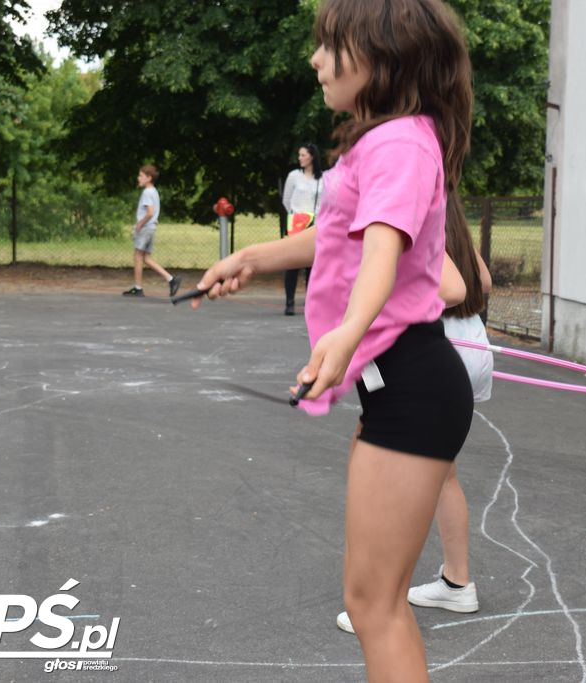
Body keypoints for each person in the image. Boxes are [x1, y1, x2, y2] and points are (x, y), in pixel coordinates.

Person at [192, 1, 474, 679]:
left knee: (375, 604)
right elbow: (339, 234)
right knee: (369, 597)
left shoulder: (404, 141)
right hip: (396, 386)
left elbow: (385, 247)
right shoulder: (379, 141)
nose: (315, 59)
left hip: (412, 383)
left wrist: (347, 334)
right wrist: (251, 257)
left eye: (329, 45)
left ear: (380, 54)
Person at [336, 194, 493, 634]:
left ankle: (378, 596)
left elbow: (452, 287)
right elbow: (480, 282)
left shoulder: (406, 212)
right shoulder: (447, 212)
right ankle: (456, 581)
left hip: (433, 349)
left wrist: (389, 296)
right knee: (440, 472)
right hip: (469, 342)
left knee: (390, 468)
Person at [122, 164, 180, 297]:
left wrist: (139, 224)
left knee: (137, 256)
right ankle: (171, 279)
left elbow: (149, 212)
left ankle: (138, 288)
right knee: (146, 258)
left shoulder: (147, 192)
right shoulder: (154, 191)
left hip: (145, 228)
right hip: (151, 227)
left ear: (148, 178)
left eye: (141, 176)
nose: (138, 178)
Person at [281, 143, 324, 315]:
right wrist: (297, 217)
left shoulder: (322, 179)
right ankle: (289, 302)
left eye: (303, 155)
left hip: (315, 224)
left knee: (312, 266)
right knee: (292, 264)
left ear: (312, 156)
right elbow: (286, 200)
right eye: (299, 155)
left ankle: (310, 302)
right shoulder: (294, 176)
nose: (300, 158)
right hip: (296, 224)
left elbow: (324, 202)